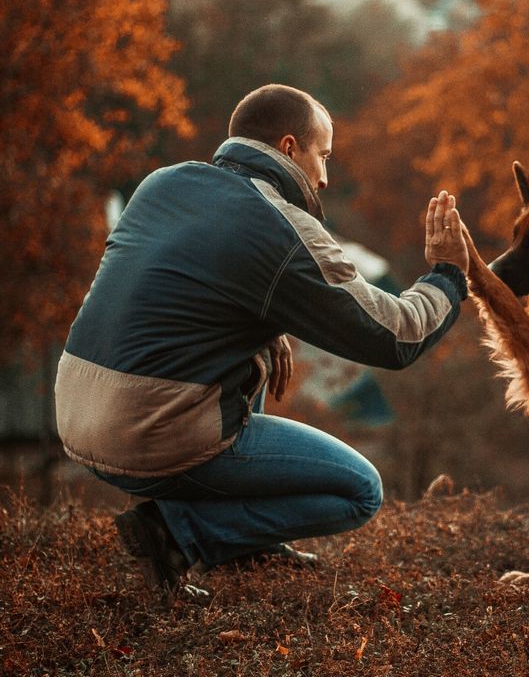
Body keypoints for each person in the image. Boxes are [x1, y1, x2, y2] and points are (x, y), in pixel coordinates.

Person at [54, 84, 470, 596]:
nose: (325, 175)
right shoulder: (280, 228)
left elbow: (177, 291)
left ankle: (244, 544)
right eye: (324, 155)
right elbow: (395, 338)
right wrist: (449, 274)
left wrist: (262, 326)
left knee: (258, 350)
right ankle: (176, 535)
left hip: (76, 414)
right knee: (359, 490)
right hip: (148, 435)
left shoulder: (164, 184)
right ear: (290, 148)